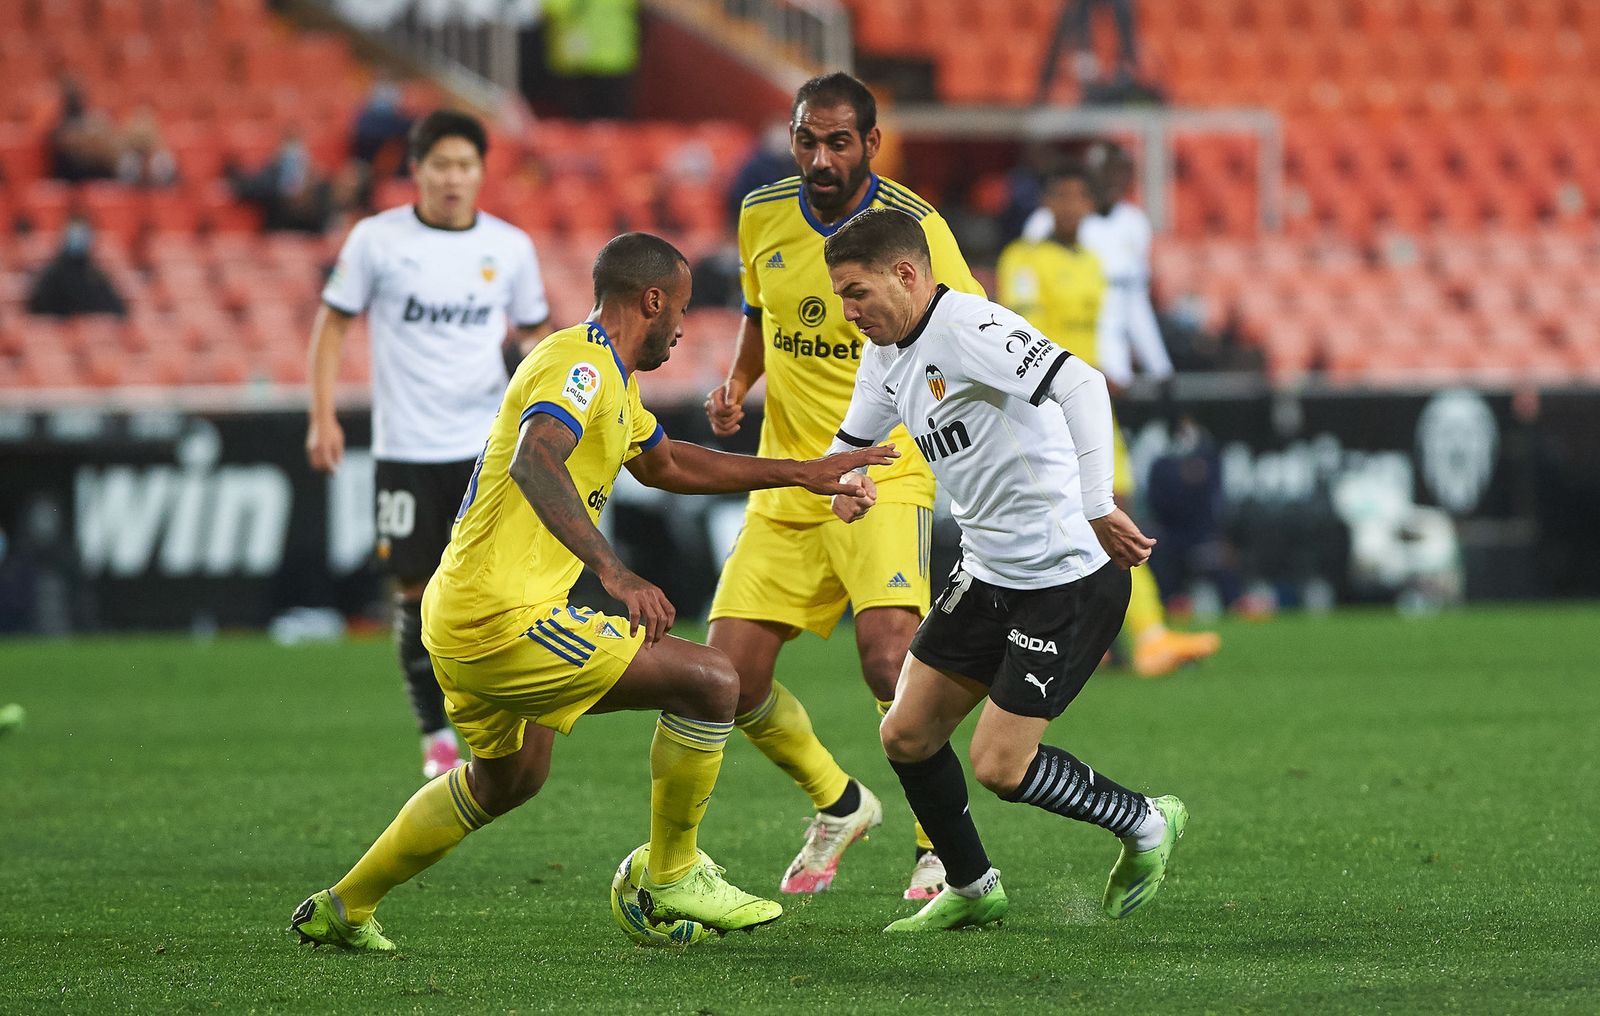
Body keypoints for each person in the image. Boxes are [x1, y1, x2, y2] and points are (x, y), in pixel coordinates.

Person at [289, 232, 898, 950]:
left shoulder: (611, 376)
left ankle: (343, 906)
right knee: (711, 679)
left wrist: (802, 472)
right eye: (681, 311)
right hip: (501, 615)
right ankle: (671, 874)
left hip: (466, 612)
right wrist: (613, 571)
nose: (681, 330)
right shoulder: (576, 364)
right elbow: (534, 458)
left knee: (509, 781)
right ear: (652, 300)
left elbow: (668, 463)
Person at [821, 207, 1187, 931]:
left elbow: (1081, 383)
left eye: (856, 292)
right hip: (989, 575)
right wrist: (846, 478)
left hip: (1068, 577)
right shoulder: (886, 352)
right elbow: (854, 435)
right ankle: (971, 885)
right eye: (840, 295)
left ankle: (1145, 821)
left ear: (906, 274)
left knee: (999, 766)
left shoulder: (970, 329)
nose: (848, 310)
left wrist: (1096, 502)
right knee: (905, 734)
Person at [703, 72, 984, 901]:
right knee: (728, 680)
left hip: (885, 470)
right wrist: (737, 382)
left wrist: (903, 445)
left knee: (890, 657)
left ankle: (940, 843)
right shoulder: (760, 213)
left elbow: (969, 332)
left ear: (870, 144)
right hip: (790, 476)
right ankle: (840, 802)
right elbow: (764, 315)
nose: (820, 158)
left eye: (837, 142)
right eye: (806, 141)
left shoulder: (915, 227)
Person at [306, 110, 555, 781]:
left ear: (480, 172)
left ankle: (496, 716)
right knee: (415, 591)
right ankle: (434, 736)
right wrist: (322, 415)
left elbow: (536, 338)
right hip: (407, 447)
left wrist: (548, 414)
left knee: (499, 585)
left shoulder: (508, 248)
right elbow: (331, 328)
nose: (453, 177)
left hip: (487, 447)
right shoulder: (376, 241)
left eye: (465, 165)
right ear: (416, 170)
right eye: (440, 165)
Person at [1003, 162, 1220, 677]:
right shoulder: (1023, 260)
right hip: (1048, 408)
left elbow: (1102, 335)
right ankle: (1112, 635)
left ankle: (1139, 635)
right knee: (1071, 522)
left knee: (1113, 513)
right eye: (1063, 196)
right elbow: (1023, 338)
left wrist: (1111, 373)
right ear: (1047, 203)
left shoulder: (1093, 264)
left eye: (1081, 197)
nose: (1072, 207)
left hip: (1091, 403)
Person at [26, 217, 126, 318]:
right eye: (73, 235)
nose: (77, 240)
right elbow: (37, 314)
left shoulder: (97, 276)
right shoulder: (51, 276)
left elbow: (117, 312)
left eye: (82, 235)